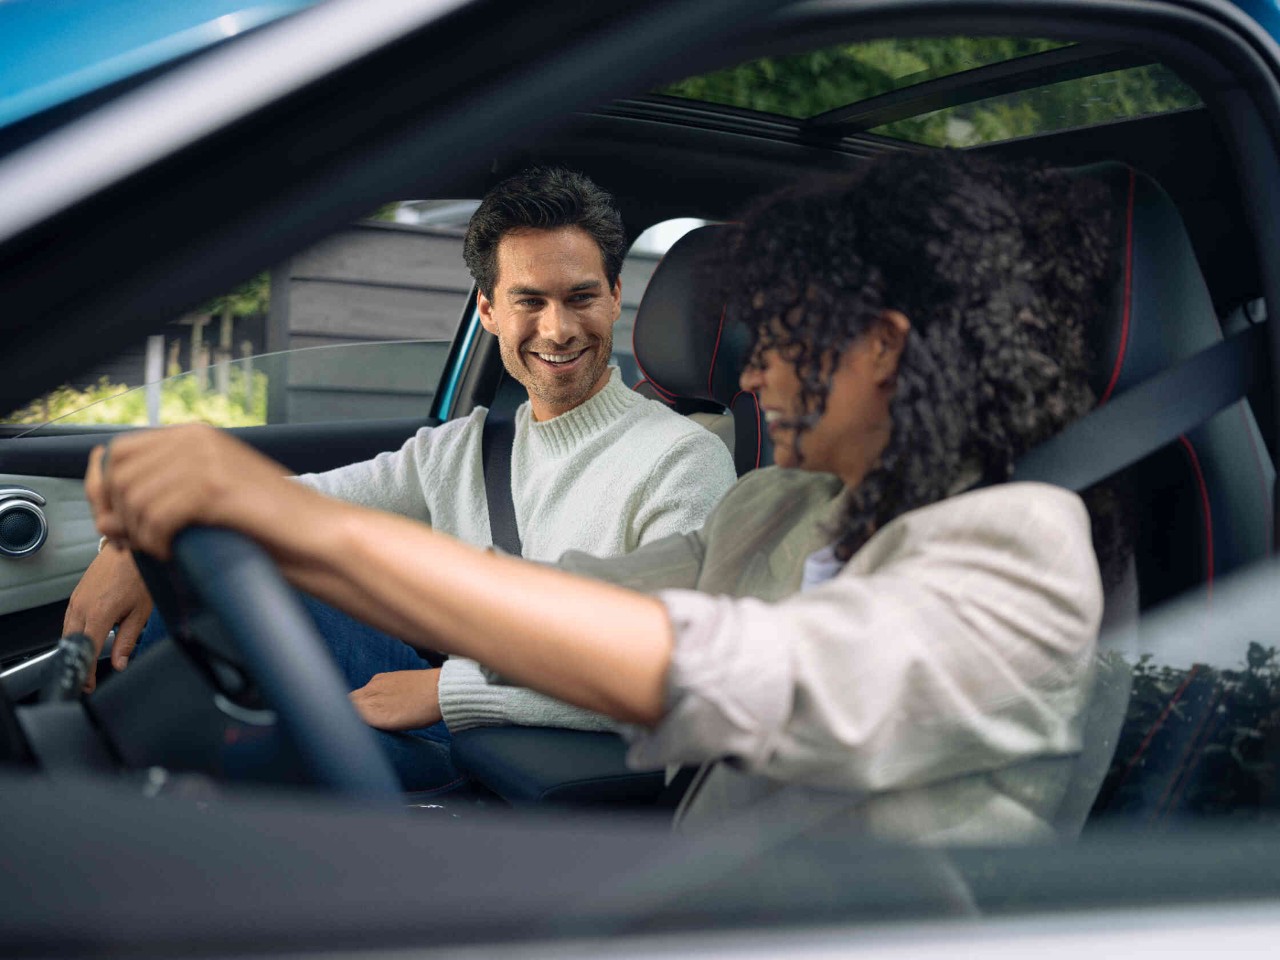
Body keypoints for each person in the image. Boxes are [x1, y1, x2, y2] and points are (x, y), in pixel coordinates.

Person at [86, 151, 1124, 842]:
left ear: (881, 351)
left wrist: (292, 522)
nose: (751, 377)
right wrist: (218, 525)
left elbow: (744, 674)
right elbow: (552, 597)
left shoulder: (1023, 547)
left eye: (775, 339)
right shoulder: (774, 505)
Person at [67, 167, 737, 789]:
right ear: (488, 311)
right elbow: (284, 509)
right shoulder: (464, 451)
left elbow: (671, 676)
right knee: (240, 587)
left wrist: (444, 693)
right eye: (528, 301)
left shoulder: (683, 463)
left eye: (580, 297)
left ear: (616, 297)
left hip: (539, 764)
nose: (557, 329)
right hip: (462, 712)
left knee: (216, 747)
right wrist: (132, 545)